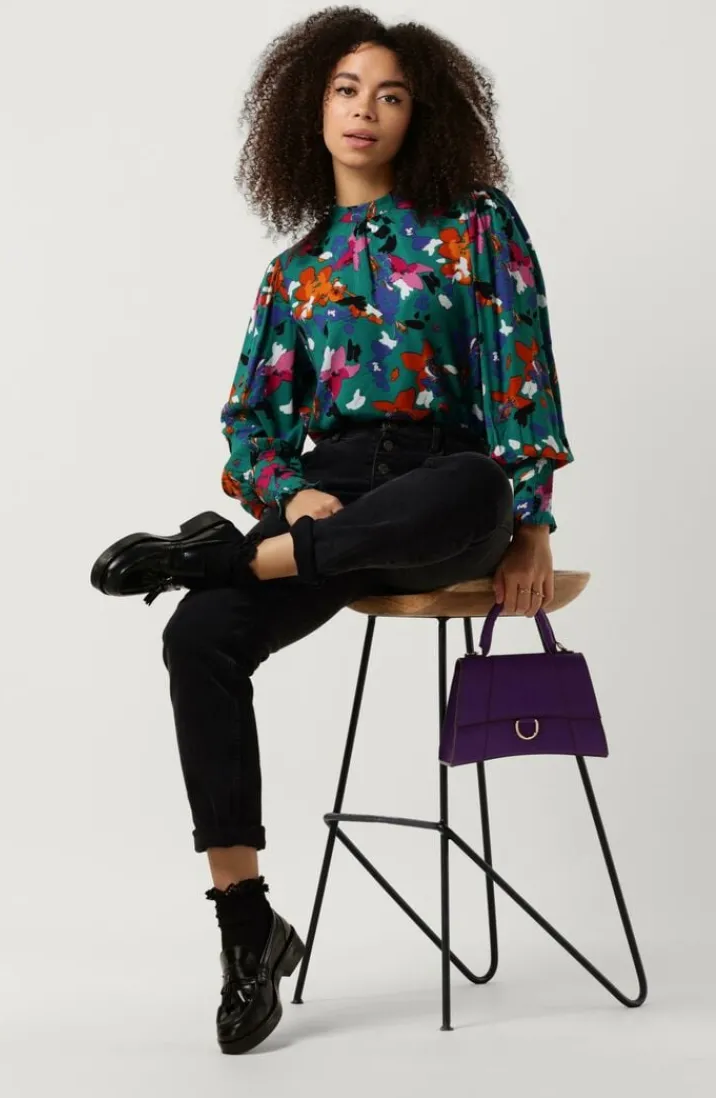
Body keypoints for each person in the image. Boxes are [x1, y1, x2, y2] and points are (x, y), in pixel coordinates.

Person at [89, 6, 574, 1054]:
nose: (366, 111)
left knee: (470, 489)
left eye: (391, 95)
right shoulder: (294, 270)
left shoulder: (476, 223)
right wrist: (287, 488)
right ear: (308, 108)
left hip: (447, 486)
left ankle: (223, 555)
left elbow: (520, 367)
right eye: (348, 90)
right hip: (330, 506)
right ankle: (247, 925)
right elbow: (249, 424)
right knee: (196, 637)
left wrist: (531, 521)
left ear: (420, 115)